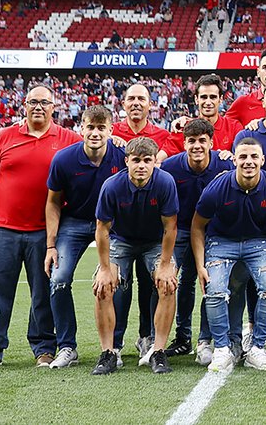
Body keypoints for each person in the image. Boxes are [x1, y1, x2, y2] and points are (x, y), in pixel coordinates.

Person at [0, 85, 82, 370]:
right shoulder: (5, 136)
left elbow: (96, 148)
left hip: (44, 232)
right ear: (24, 105)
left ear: (54, 107)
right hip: (4, 229)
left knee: (42, 292)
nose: (38, 107)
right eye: (33, 102)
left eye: (44, 102)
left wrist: (116, 140)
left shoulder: (69, 139)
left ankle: (44, 348)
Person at [192, 139, 266, 373]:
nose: (248, 162)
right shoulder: (217, 188)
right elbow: (197, 226)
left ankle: (257, 348)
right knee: (214, 289)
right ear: (234, 160)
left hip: (258, 242)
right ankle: (222, 349)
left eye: (253, 157)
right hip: (221, 241)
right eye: (243, 157)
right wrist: (200, 265)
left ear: (262, 160)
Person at [44, 105, 125, 369]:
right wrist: (51, 245)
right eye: (90, 127)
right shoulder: (64, 159)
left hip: (112, 225)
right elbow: (53, 202)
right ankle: (67, 346)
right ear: (82, 128)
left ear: (111, 130)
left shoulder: (123, 155)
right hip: (75, 223)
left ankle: (115, 346)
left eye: (101, 128)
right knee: (59, 279)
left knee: (119, 280)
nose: (95, 133)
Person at [90, 137, 180, 376]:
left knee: (168, 284)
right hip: (121, 240)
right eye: (136, 160)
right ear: (127, 161)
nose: (141, 165)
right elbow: (102, 229)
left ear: (154, 162)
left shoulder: (165, 182)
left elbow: (170, 227)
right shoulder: (112, 186)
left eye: (147, 160)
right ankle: (108, 352)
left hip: (155, 241)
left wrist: (165, 265)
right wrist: (105, 268)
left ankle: (158, 351)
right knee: (103, 286)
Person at [159, 118, 231, 365]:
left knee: (210, 282)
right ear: (184, 143)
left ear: (211, 142)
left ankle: (205, 340)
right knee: (170, 280)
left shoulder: (225, 164)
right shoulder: (170, 167)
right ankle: (177, 338)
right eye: (191, 141)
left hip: (213, 233)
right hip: (179, 231)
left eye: (202, 140)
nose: (197, 146)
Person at [161, 74, 243, 158]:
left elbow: (244, 156)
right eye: (204, 97)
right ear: (196, 99)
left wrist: (232, 157)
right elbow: (159, 159)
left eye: (213, 97)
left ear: (220, 99)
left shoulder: (234, 127)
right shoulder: (184, 127)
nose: (208, 102)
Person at [111, 84, 172, 150]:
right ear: (123, 105)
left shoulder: (164, 137)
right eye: (131, 99)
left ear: (150, 105)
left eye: (141, 99)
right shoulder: (110, 132)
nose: (136, 103)